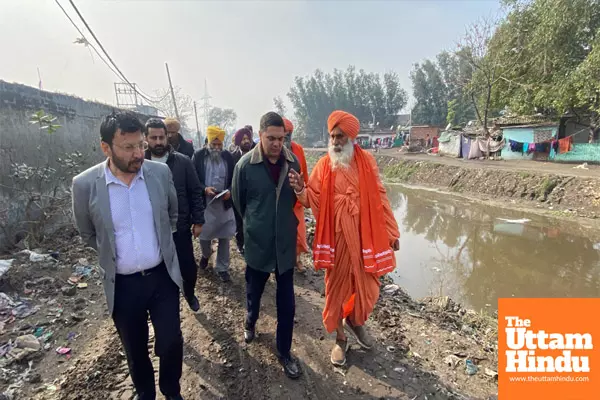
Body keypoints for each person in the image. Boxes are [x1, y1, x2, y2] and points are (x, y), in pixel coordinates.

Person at [71, 111, 185, 400]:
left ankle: (172, 390)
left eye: (141, 145)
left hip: (161, 277)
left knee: (171, 341)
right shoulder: (85, 185)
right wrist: (113, 256)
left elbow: (172, 214)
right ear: (106, 147)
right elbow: (87, 233)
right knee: (135, 350)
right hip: (123, 285)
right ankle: (145, 393)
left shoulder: (159, 174)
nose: (138, 154)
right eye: (129, 147)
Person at [289, 110, 400, 368]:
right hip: (337, 239)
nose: (336, 141)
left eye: (340, 136)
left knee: (367, 287)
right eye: (332, 136)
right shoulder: (324, 165)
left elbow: (380, 197)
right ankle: (340, 339)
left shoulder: (367, 161)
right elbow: (312, 198)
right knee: (336, 290)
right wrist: (299, 188)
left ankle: (355, 321)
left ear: (351, 137)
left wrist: (391, 232)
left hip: (363, 238)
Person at [232, 112, 302, 379]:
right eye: (270, 138)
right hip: (258, 245)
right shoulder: (244, 166)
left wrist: (300, 188)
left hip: (284, 246)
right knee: (254, 292)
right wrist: (254, 228)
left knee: (287, 304)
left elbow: (300, 198)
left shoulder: (293, 162)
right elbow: (239, 204)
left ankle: (284, 352)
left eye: (280, 138)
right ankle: (250, 321)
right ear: (260, 135)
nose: (276, 144)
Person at [144, 118, 205, 312]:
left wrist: (198, 220)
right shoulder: (139, 164)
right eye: (154, 137)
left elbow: (195, 191)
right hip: (151, 231)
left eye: (162, 137)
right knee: (159, 271)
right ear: (146, 139)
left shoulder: (182, 162)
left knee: (188, 267)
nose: (159, 142)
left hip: (179, 227)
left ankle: (189, 293)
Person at [192, 126, 236, 283]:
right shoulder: (198, 156)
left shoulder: (228, 157)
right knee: (204, 235)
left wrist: (230, 191)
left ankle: (222, 268)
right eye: (214, 144)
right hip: (206, 204)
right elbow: (193, 178)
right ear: (208, 142)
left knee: (224, 236)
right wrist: (204, 189)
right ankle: (205, 254)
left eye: (219, 145)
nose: (217, 148)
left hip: (223, 204)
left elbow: (234, 179)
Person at [282, 118, 309, 272]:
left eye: (288, 135)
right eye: (283, 135)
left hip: (297, 199)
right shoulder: (272, 151)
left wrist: (305, 191)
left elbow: (303, 171)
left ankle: (297, 260)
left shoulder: (298, 149)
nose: (285, 139)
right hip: (279, 200)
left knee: (299, 234)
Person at [230, 126, 255, 255]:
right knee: (239, 222)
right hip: (238, 194)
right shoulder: (232, 157)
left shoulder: (258, 153)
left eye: (248, 138)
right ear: (238, 141)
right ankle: (241, 244)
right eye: (243, 139)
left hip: (254, 194)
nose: (246, 141)